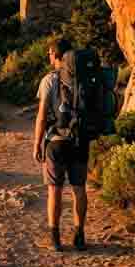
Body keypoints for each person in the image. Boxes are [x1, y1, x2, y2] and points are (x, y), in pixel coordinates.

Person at [33, 37, 88, 252]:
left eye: (49, 53)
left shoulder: (49, 80)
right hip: (81, 140)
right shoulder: (83, 78)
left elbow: (41, 116)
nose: (48, 56)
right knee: (79, 189)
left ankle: (55, 238)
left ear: (56, 55)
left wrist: (37, 144)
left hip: (56, 142)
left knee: (55, 190)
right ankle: (79, 235)